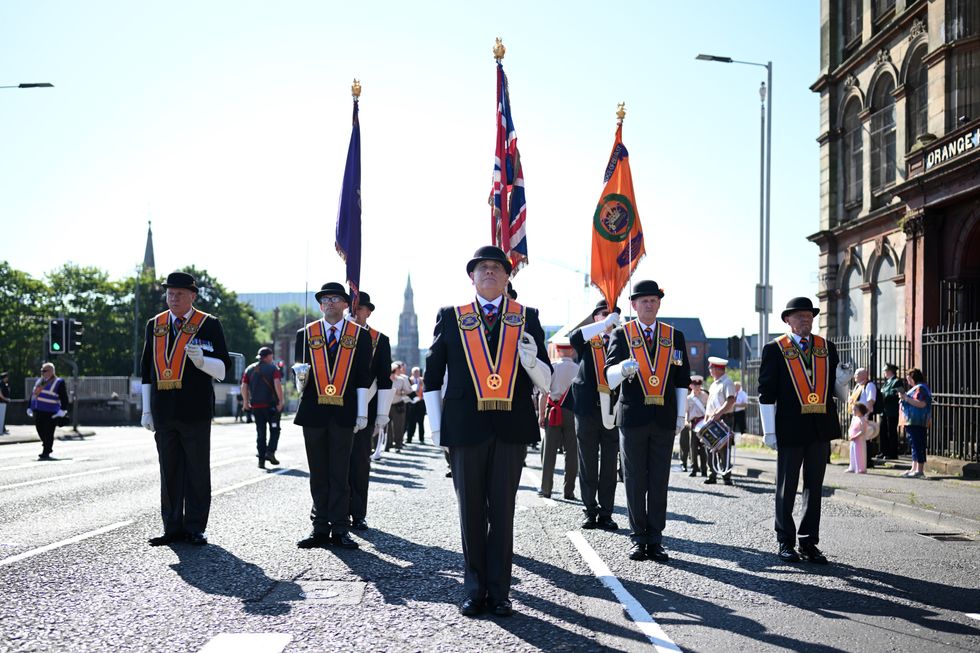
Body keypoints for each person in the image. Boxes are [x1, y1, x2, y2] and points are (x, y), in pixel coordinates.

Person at [422, 245, 551, 618]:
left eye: (497, 267)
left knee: (504, 511)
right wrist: (435, 426)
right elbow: (432, 377)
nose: (490, 272)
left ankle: (500, 592)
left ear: (508, 276)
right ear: (472, 276)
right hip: (464, 427)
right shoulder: (451, 317)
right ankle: (474, 589)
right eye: (483, 268)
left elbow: (545, 380)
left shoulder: (527, 316)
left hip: (511, 426)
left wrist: (532, 360)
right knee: (471, 513)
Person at [140, 271, 231, 546]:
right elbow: (146, 371)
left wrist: (203, 362)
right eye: (170, 293)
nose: (174, 297)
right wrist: (146, 410)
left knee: (196, 470)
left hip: (195, 410)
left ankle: (194, 527)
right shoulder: (155, 324)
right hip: (163, 409)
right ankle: (171, 527)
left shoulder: (208, 324)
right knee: (169, 471)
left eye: (180, 293)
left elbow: (223, 370)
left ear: (193, 296)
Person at [605, 280, 691, 563]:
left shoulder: (673, 335)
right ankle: (638, 537)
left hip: (664, 417)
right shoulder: (622, 334)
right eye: (643, 301)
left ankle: (655, 538)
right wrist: (621, 369)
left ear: (659, 304)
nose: (649, 304)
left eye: (653, 300)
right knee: (634, 479)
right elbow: (608, 376)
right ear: (634, 304)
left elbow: (681, 380)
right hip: (632, 417)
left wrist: (680, 414)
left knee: (658, 479)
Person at [759, 296, 847, 565]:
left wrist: (843, 380)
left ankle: (809, 542)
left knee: (815, 487)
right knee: (786, 486)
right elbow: (766, 394)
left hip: (819, 427)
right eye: (799, 316)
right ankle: (785, 541)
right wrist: (769, 431)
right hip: (789, 428)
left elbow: (837, 392)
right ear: (787, 320)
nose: (805, 319)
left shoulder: (826, 347)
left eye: (808, 315)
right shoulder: (775, 349)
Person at [293, 281, 373, 550]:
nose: (329, 303)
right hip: (313, 411)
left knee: (340, 472)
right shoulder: (306, 333)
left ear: (345, 304)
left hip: (345, 411)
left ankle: (340, 528)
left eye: (335, 299)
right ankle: (319, 527)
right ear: (320, 305)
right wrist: (299, 377)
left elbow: (364, 377)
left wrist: (362, 412)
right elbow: (298, 375)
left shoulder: (359, 335)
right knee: (318, 472)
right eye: (325, 299)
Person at [569, 299, 622, 531]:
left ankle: (606, 512)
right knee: (588, 461)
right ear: (595, 317)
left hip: (612, 408)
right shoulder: (590, 338)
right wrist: (604, 325)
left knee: (610, 463)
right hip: (588, 409)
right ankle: (590, 509)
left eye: (611, 314)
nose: (607, 317)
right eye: (602, 313)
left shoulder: (622, 340)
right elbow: (573, 338)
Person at [347, 290, 393, 531]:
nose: (354, 312)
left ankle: (357, 513)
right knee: (334, 462)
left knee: (359, 461)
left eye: (360, 308)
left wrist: (382, 416)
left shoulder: (379, 339)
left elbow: (385, 379)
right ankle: (333, 511)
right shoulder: (335, 335)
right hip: (338, 406)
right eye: (351, 307)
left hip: (369, 405)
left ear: (368, 311)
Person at [538, 344, 579, 500]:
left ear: (558, 351)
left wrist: (541, 415)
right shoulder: (578, 369)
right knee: (572, 453)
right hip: (572, 413)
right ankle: (569, 491)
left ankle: (546, 489)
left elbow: (544, 392)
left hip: (553, 411)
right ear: (572, 351)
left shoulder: (553, 367)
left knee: (549, 452)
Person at [241, 346, 285, 469]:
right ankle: (270, 452)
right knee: (275, 430)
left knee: (261, 432)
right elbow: (277, 385)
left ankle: (261, 460)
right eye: (271, 355)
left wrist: (245, 402)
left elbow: (244, 385)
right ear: (268, 356)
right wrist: (281, 401)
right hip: (271, 406)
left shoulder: (249, 369)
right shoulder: (273, 368)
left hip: (256, 406)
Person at [703, 356, 736, 485]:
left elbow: (731, 400)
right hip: (712, 419)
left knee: (723, 447)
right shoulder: (714, 384)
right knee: (710, 446)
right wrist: (707, 417)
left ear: (717, 369)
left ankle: (726, 475)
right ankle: (712, 474)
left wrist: (719, 413)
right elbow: (710, 403)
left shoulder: (727, 382)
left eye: (711, 367)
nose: (709, 370)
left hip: (724, 418)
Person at [28, 362, 69, 460]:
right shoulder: (39, 381)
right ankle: (46, 446)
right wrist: (29, 407)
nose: (42, 372)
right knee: (40, 430)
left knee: (49, 432)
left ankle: (46, 451)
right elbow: (33, 395)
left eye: (44, 371)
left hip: (52, 412)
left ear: (51, 371)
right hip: (39, 411)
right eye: (41, 370)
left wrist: (63, 410)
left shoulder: (58, 382)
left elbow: (64, 397)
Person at [899, 368, 932, 478]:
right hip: (912, 421)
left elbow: (922, 404)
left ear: (914, 378)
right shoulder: (917, 388)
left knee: (918, 445)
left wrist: (906, 398)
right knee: (914, 445)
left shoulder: (921, 388)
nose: (908, 382)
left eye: (909, 379)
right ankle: (914, 468)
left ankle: (920, 470)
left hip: (917, 421)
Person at [848, 368, 878, 465]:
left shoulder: (869, 385)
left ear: (863, 375)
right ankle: (857, 462)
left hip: (864, 416)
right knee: (856, 439)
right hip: (856, 416)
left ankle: (867, 461)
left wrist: (865, 415)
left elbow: (870, 401)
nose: (855, 376)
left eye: (857, 374)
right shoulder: (858, 386)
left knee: (865, 439)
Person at [877, 363, 904, 460]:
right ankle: (883, 451)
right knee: (883, 431)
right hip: (884, 411)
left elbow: (894, 394)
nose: (884, 373)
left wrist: (882, 395)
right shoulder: (887, 382)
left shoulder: (896, 381)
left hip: (891, 411)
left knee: (891, 432)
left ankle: (892, 453)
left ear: (889, 371)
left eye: (885, 371)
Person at [685, 376, 709, 477]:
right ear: (691, 386)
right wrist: (686, 421)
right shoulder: (689, 398)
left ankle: (704, 469)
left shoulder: (705, 396)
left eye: (699, 385)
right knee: (693, 448)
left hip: (703, 422)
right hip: (694, 423)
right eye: (695, 385)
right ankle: (694, 468)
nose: (697, 387)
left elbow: (709, 408)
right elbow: (687, 411)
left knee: (704, 447)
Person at [386, 362, 411, 452]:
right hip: (387, 405)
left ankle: (398, 444)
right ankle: (387, 444)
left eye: (394, 371)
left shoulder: (402, 380)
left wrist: (400, 393)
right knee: (386, 426)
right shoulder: (385, 379)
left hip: (398, 405)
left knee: (398, 426)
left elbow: (409, 392)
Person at [846, 402, 869, 474]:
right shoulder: (855, 418)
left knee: (859, 454)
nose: (853, 412)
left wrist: (855, 436)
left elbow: (862, 431)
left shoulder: (862, 420)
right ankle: (852, 467)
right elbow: (851, 427)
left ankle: (860, 468)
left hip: (859, 440)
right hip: (853, 439)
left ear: (861, 411)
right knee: (852, 453)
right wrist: (850, 435)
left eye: (855, 410)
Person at [405, 366, 426, 444]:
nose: (416, 374)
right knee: (411, 421)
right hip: (412, 403)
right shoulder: (409, 380)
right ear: (412, 373)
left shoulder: (422, 380)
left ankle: (421, 438)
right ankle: (409, 438)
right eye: (415, 372)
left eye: (418, 372)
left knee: (421, 422)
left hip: (421, 403)